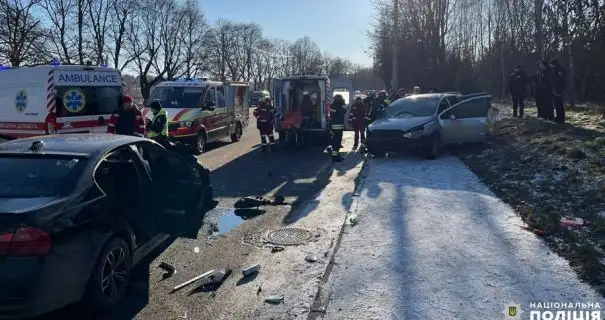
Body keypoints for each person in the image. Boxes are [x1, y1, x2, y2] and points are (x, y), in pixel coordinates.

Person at [328, 94, 347, 162]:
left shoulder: (332, 105)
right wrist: (343, 102)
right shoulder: (341, 106)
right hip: (338, 128)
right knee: (337, 142)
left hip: (333, 127)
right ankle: (335, 157)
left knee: (336, 142)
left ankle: (336, 156)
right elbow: (344, 111)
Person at [550, 59, 567, 123]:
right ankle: (558, 117)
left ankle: (561, 118)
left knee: (559, 104)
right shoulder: (555, 69)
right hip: (555, 89)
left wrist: (560, 89)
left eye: (552, 64)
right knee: (556, 104)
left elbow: (560, 80)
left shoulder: (560, 69)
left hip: (559, 89)